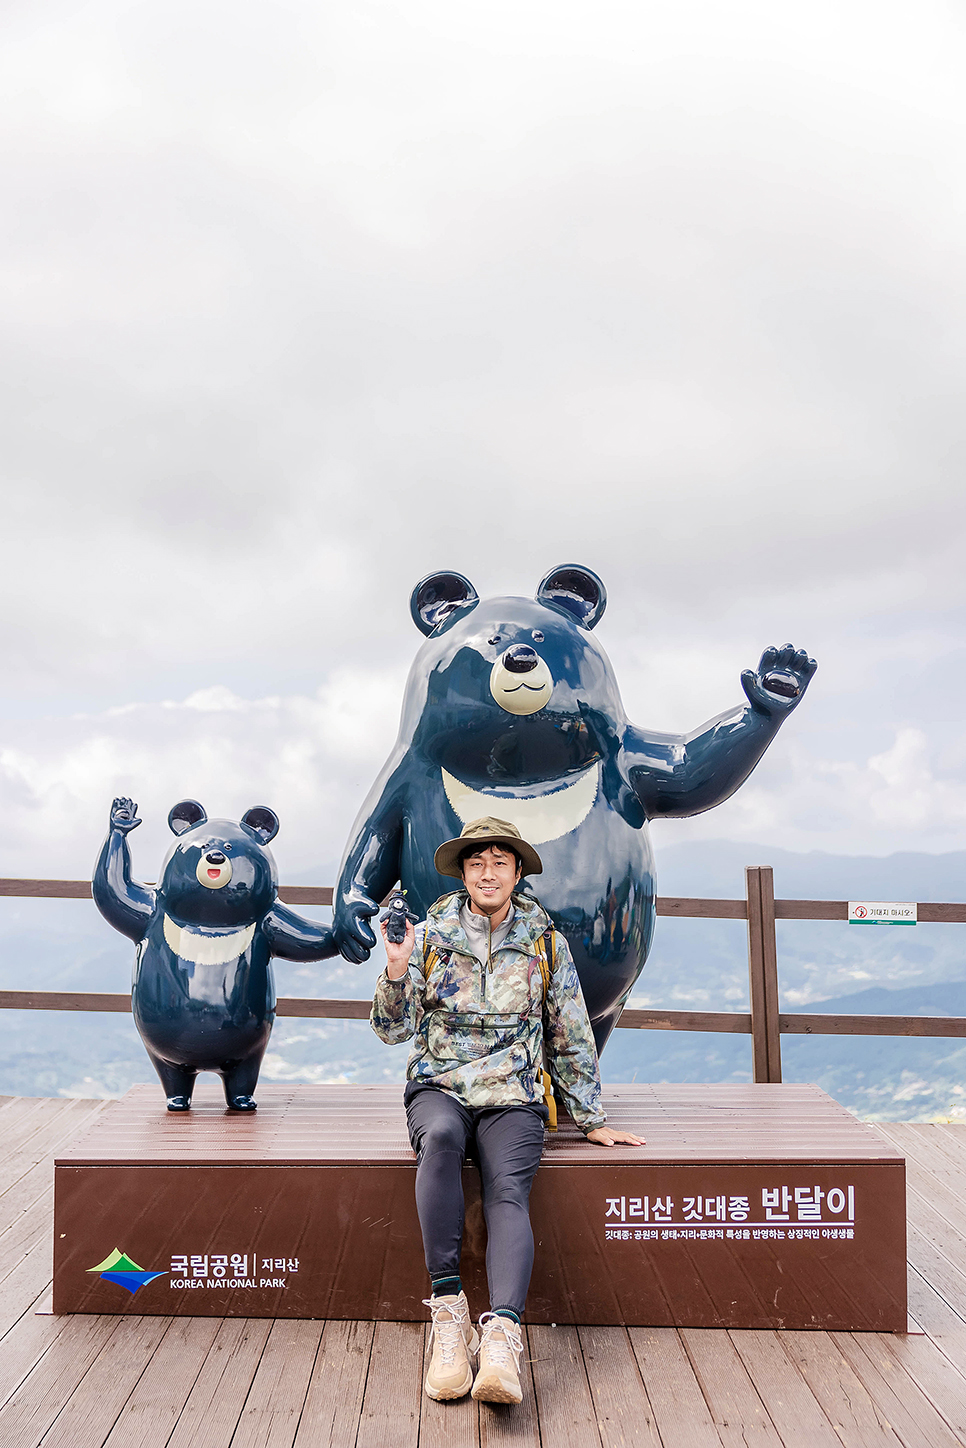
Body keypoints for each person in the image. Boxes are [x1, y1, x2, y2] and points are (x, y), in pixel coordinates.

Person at [370, 816, 644, 1406]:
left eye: (500, 861)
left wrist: (590, 1118)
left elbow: (569, 1028)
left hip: (514, 1092)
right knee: (439, 1140)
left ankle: (501, 1338)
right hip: (440, 1083)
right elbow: (393, 1032)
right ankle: (448, 1318)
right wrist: (396, 967)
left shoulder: (543, 939)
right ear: (463, 872)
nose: (488, 872)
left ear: (518, 871)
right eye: (476, 862)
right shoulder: (432, 934)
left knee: (508, 1189)